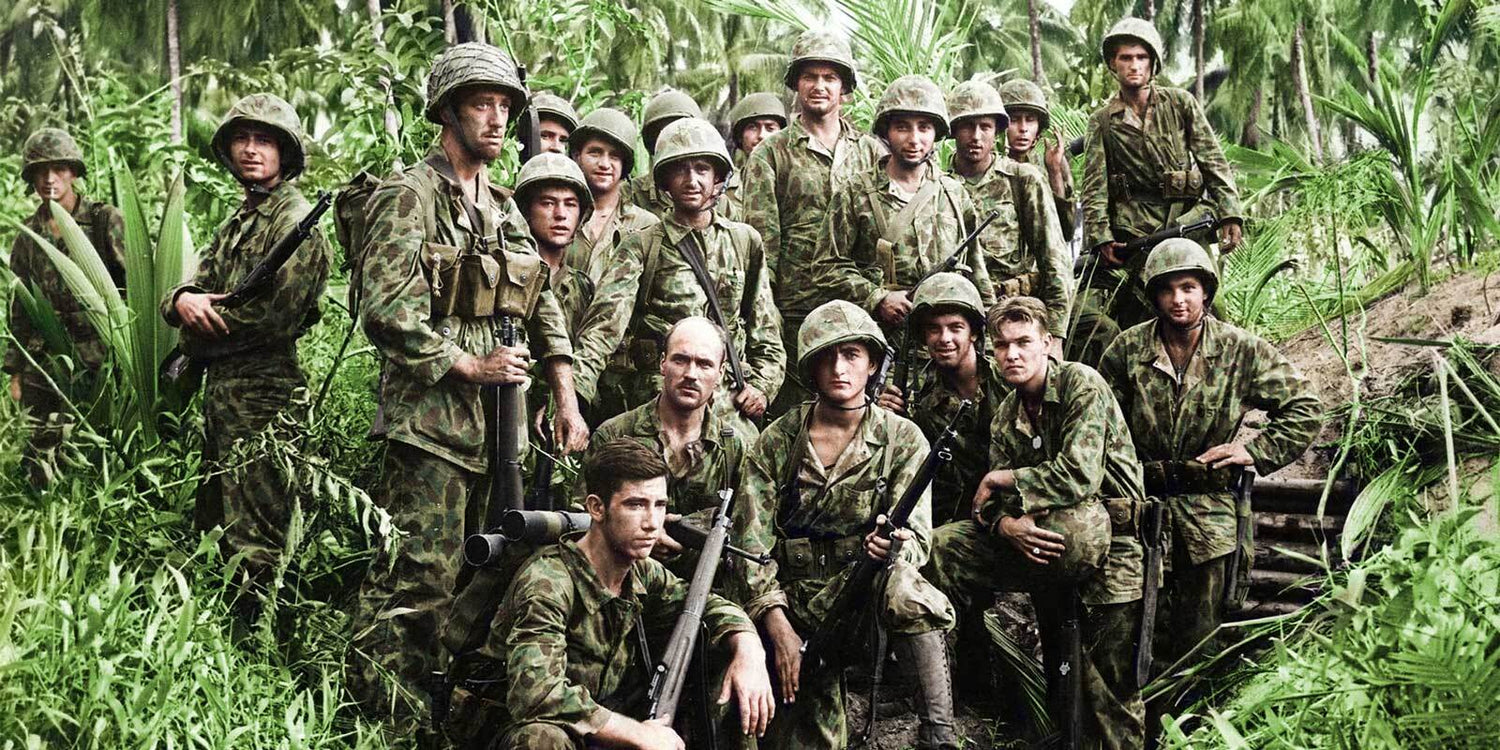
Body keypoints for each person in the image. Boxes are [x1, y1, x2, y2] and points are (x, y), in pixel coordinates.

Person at [345, 42, 589, 735]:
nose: (495, 117)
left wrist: (564, 392)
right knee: (415, 581)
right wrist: (469, 366)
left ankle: (439, 715)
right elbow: (387, 310)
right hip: (431, 426)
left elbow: (539, 300)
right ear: (447, 111)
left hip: (498, 435)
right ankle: (377, 721)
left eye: (504, 106)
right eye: (482, 103)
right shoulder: (408, 196)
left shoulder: (504, 207)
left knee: (477, 580)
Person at [925, 296, 1147, 750]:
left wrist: (1004, 478)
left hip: (1109, 550)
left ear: (1047, 344)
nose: (1012, 355)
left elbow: (1079, 474)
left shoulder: (1082, 384)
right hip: (1044, 549)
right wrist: (1005, 526)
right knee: (1060, 684)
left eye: (1024, 342)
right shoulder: (1007, 413)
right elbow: (986, 505)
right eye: (1002, 345)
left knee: (1107, 694)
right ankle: (957, 683)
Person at [738, 300, 959, 749]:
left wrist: (893, 548)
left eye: (852, 355)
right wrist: (780, 629)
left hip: (862, 603)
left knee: (905, 586)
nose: (839, 368)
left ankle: (938, 734)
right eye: (826, 357)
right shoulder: (778, 441)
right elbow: (750, 547)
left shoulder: (901, 438)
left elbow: (917, 539)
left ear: (873, 363)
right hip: (795, 610)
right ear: (810, 369)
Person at [1098, 239, 1320, 680]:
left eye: (1189, 287)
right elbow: (1098, 422)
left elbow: (1306, 406)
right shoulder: (1126, 350)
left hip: (1210, 511)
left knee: (1201, 639)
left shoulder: (1240, 349)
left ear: (1206, 291)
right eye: (1167, 290)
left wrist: (1254, 450)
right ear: (1153, 295)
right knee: (1130, 631)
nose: (1178, 300)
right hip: (1141, 507)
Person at [487, 439, 775, 749]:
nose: (652, 523)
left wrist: (749, 648)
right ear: (597, 508)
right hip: (519, 731)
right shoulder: (549, 582)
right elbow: (536, 694)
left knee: (729, 668)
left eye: (660, 506)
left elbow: (704, 604)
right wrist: (639, 734)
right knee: (542, 739)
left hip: (604, 726)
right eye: (636, 505)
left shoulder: (642, 571)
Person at [162, 93, 330, 617]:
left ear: (285, 153)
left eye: (264, 140)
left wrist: (194, 338)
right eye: (242, 138)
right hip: (224, 395)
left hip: (265, 394)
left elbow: (275, 320)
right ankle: (217, 641)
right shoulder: (241, 220)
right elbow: (194, 286)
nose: (251, 150)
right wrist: (182, 301)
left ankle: (260, 648)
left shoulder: (295, 223)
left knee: (258, 531)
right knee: (216, 520)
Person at [571, 117, 783, 426]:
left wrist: (762, 387)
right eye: (680, 169)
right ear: (665, 180)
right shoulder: (642, 246)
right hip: (659, 408)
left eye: (702, 169)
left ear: (718, 178)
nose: (692, 180)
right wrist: (572, 399)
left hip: (728, 410)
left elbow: (765, 332)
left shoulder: (744, 241)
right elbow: (603, 330)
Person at [1077, 17, 1244, 361]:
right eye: (1125, 58)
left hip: (1185, 220)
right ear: (1113, 64)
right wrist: (1102, 236)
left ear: (1153, 62)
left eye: (1140, 57)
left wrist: (1230, 212)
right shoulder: (1103, 121)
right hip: (1135, 231)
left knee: (1210, 305)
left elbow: (1212, 159)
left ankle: (1234, 370)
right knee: (1147, 313)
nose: (1133, 65)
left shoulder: (1179, 104)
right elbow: (1093, 185)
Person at [739, 29, 886, 417]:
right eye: (810, 77)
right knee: (798, 421)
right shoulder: (771, 153)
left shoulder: (872, 153)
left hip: (860, 310)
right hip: (796, 313)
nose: (819, 86)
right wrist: (766, 322)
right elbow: (761, 248)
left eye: (830, 78)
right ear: (796, 84)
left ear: (844, 88)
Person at [814, 74, 996, 344]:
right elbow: (825, 267)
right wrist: (878, 298)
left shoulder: (953, 193)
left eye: (924, 128)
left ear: (936, 134)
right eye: (902, 127)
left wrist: (988, 342)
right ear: (886, 132)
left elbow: (978, 275)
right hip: (881, 340)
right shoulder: (856, 193)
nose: (914, 139)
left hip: (946, 344)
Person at [4, 127, 126, 486]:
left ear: (74, 172)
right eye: (40, 171)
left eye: (58, 168)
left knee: (98, 457)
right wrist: (15, 372)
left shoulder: (105, 221)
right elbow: (20, 308)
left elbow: (131, 289)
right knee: (41, 462)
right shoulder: (27, 235)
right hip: (45, 364)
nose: (49, 178)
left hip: (98, 359)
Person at [946, 79, 1071, 340]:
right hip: (959, 317)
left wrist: (1057, 334)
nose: (976, 136)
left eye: (985, 127)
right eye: (967, 126)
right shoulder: (939, 186)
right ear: (954, 130)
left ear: (997, 131)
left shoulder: (1022, 179)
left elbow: (1055, 260)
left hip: (1017, 314)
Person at [564, 107, 661, 284]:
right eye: (595, 152)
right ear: (577, 156)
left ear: (624, 165)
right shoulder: (560, 215)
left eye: (614, 156)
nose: (604, 164)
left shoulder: (646, 225)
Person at [515, 153, 594, 336]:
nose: (560, 214)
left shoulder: (582, 287)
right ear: (526, 211)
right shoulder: (508, 276)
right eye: (548, 203)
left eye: (570, 204)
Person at [998, 78, 1076, 241]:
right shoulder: (987, 162)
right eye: (1014, 120)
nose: (1023, 128)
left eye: (1030, 120)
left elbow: (1066, 231)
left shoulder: (1052, 162)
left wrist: (1054, 172)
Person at [621, 89, 703, 219]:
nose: (672, 142)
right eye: (664, 134)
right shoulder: (631, 193)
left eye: (680, 133)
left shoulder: (712, 195)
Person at [721, 92, 787, 218]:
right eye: (753, 128)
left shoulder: (794, 183)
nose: (761, 135)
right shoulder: (723, 186)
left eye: (770, 128)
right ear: (740, 137)